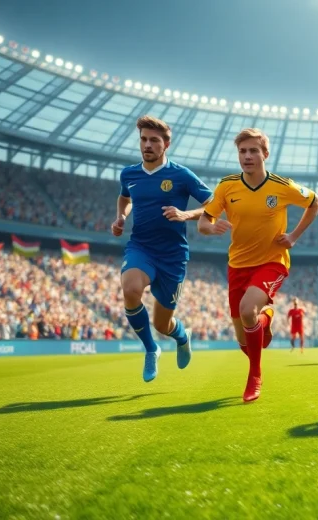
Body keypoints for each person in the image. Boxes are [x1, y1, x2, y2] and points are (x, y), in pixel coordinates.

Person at [198, 128, 318, 402]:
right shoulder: (227, 186)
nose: (247, 156)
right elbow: (203, 222)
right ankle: (266, 318)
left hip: (272, 261)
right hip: (237, 265)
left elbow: (316, 203)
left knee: (247, 310)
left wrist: (293, 236)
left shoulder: (282, 186)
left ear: (265, 153)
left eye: (253, 150)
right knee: (245, 341)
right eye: (242, 151)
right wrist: (210, 227)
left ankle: (255, 376)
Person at [111, 115, 214, 382]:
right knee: (130, 289)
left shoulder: (181, 175)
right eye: (143, 139)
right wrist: (121, 217)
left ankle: (182, 336)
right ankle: (151, 349)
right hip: (141, 247)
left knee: (162, 324)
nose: (147, 145)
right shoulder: (129, 174)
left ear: (166, 144)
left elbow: (215, 204)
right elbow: (124, 198)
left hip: (173, 256)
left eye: (154, 140)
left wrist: (185, 214)